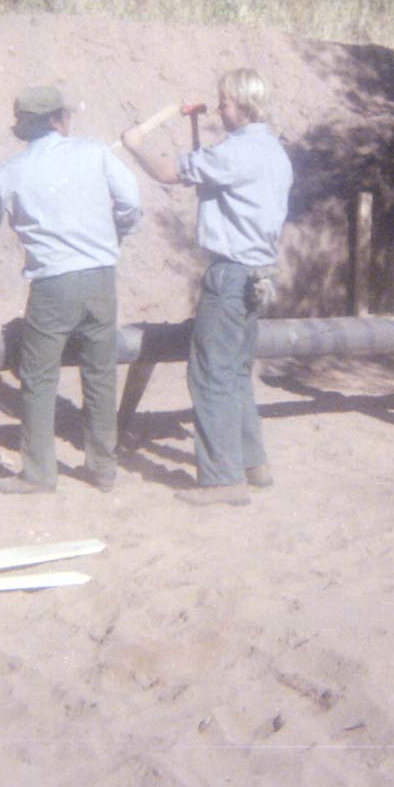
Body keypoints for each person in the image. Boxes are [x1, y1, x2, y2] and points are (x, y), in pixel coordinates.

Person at [0, 85, 142, 494]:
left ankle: (38, 472)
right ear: (57, 120)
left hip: (53, 285)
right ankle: (103, 467)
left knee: (38, 378)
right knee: (101, 374)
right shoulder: (95, 153)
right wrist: (114, 236)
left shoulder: (10, 172)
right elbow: (131, 203)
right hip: (101, 277)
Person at [122, 68, 292, 506]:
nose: (220, 109)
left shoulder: (236, 153)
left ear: (248, 104)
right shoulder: (271, 150)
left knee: (210, 375)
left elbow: (167, 172)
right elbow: (212, 178)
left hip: (230, 275)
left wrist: (136, 147)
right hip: (258, 275)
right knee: (235, 372)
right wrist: (197, 137)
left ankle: (221, 480)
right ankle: (254, 464)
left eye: (226, 103)